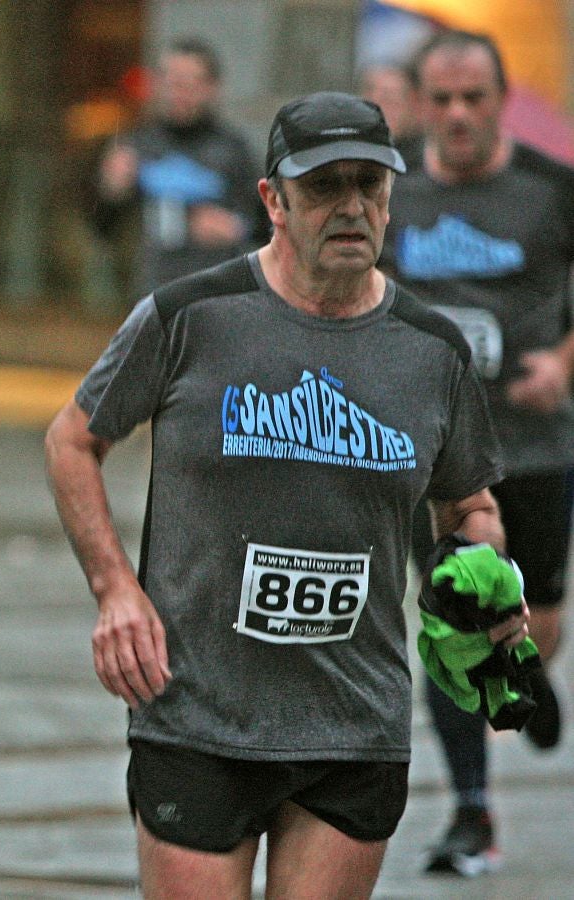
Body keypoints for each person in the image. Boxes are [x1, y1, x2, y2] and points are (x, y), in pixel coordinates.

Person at [46, 91, 529, 899]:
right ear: (271, 199)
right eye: (322, 187)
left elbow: (468, 506)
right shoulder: (189, 317)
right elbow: (72, 440)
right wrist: (114, 590)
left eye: (368, 186)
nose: (350, 208)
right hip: (198, 709)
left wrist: (483, 577)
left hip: (351, 721)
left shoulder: (430, 352)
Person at [378, 29, 574, 876]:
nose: (457, 115)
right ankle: (471, 812)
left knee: (534, 622)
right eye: (441, 98)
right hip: (434, 457)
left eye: (473, 98)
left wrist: (563, 365)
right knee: (451, 617)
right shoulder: (387, 191)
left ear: (500, 99)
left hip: (532, 447)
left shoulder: (550, 191)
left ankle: (522, 656)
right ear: (419, 101)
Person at [92, 38, 268, 296]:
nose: (180, 93)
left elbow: (269, 225)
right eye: (172, 82)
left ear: (212, 88)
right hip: (151, 293)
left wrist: (236, 228)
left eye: (191, 84)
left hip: (217, 294)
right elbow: (102, 229)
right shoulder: (138, 144)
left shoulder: (233, 149)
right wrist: (112, 189)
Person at [359, 63, 422, 168]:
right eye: (385, 99)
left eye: (398, 100)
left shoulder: (428, 161)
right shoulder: (354, 156)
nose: (390, 109)